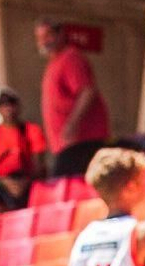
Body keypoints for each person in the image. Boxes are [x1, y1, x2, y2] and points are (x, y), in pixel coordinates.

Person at [36, 19, 109, 179]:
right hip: (65, 146)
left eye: (48, 35)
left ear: (61, 34)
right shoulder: (54, 63)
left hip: (81, 142)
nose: (43, 41)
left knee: (63, 189)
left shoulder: (70, 58)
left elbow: (87, 91)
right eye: (40, 37)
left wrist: (72, 124)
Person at [0, 88, 47, 214]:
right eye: (4, 104)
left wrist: (25, 182)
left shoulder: (31, 131)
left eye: (12, 103)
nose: (8, 108)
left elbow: (39, 165)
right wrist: (5, 182)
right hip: (0, 183)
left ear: (18, 107)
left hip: (27, 182)